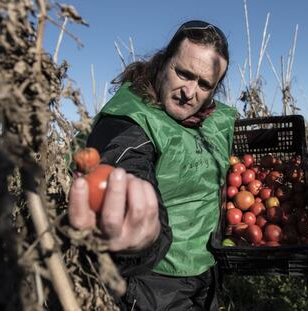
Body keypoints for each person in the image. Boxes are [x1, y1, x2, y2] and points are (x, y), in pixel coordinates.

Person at [68, 20, 236, 310]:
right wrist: (142, 234)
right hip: (154, 286)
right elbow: (126, 170)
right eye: (183, 73)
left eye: (205, 84)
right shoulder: (128, 123)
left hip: (205, 273)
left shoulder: (213, 117)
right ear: (163, 62)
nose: (189, 91)